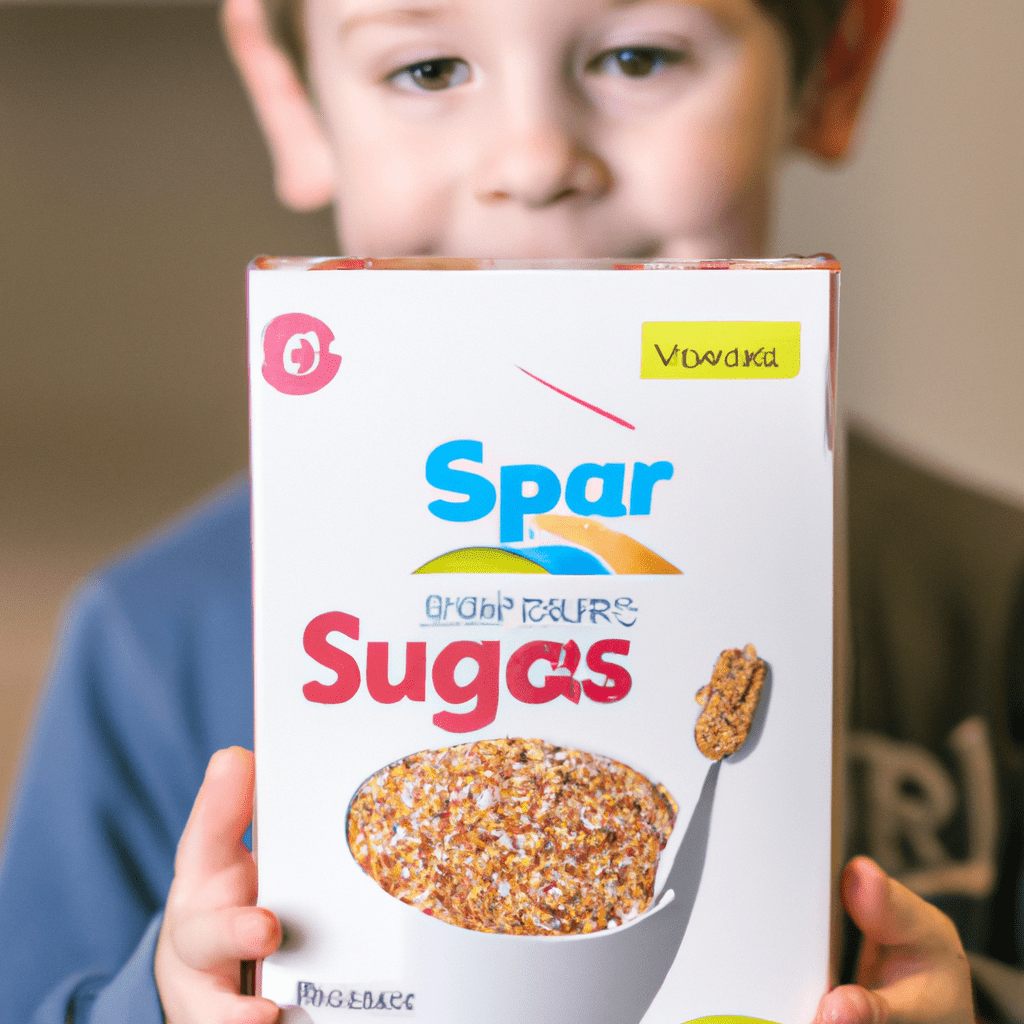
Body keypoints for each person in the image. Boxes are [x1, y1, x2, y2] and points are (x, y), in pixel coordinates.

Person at [0, 0, 977, 1021]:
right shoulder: (149, 636)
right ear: (292, 98)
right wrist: (160, 1001)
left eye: (638, 57)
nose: (534, 159)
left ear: (838, 70)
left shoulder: (986, 603)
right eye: (427, 71)